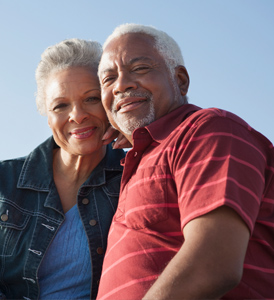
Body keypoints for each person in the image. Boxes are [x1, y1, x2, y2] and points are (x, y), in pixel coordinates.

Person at [96, 23, 274, 300]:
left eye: (140, 68)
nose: (121, 85)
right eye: (108, 80)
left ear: (180, 80)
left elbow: (214, 264)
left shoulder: (209, 129)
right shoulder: (143, 158)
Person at [0, 38, 126, 299]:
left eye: (91, 99)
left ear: (108, 100)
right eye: (60, 105)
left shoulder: (133, 176)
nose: (77, 115)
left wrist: (135, 134)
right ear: (46, 114)